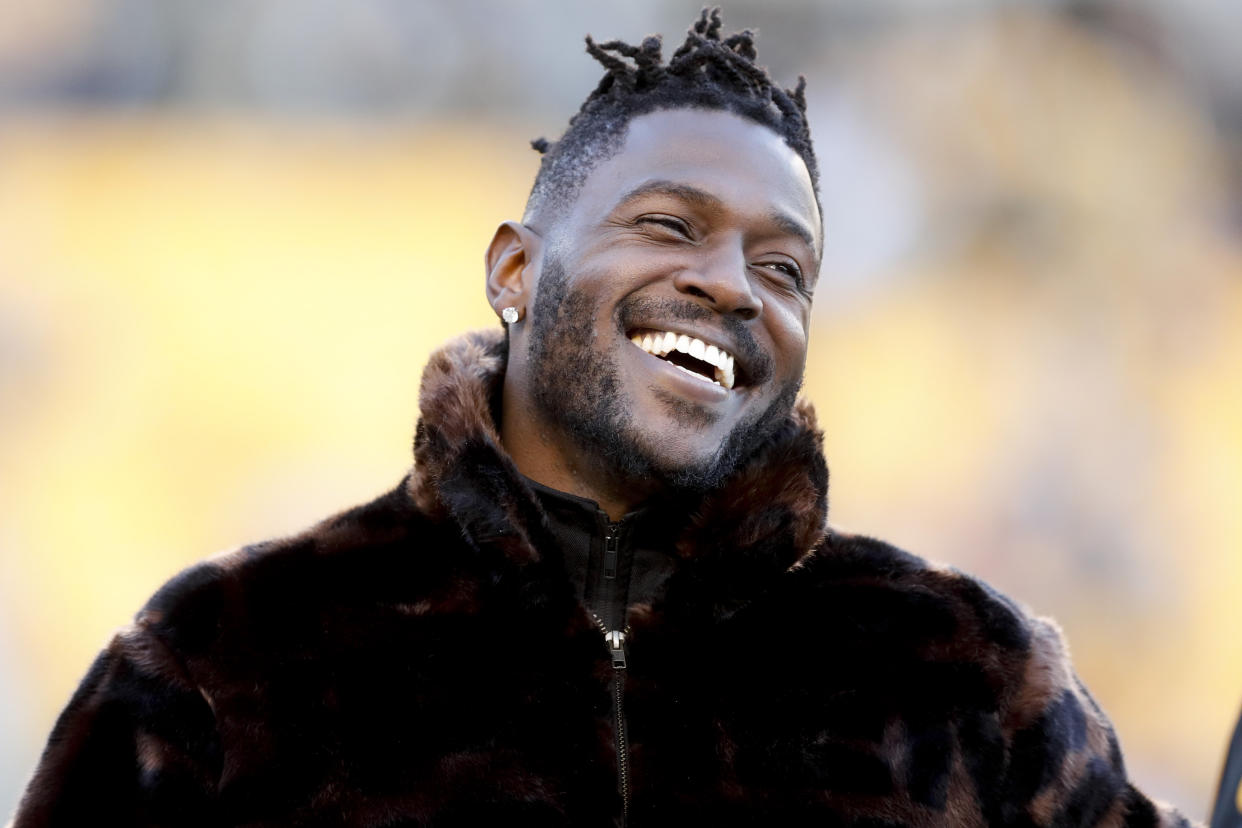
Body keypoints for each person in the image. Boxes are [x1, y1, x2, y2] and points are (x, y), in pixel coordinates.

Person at [12, 10, 1198, 827]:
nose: (733, 285)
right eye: (671, 226)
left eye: (784, 270)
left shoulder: (964, 675)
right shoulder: (227, 663)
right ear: (516, 270)